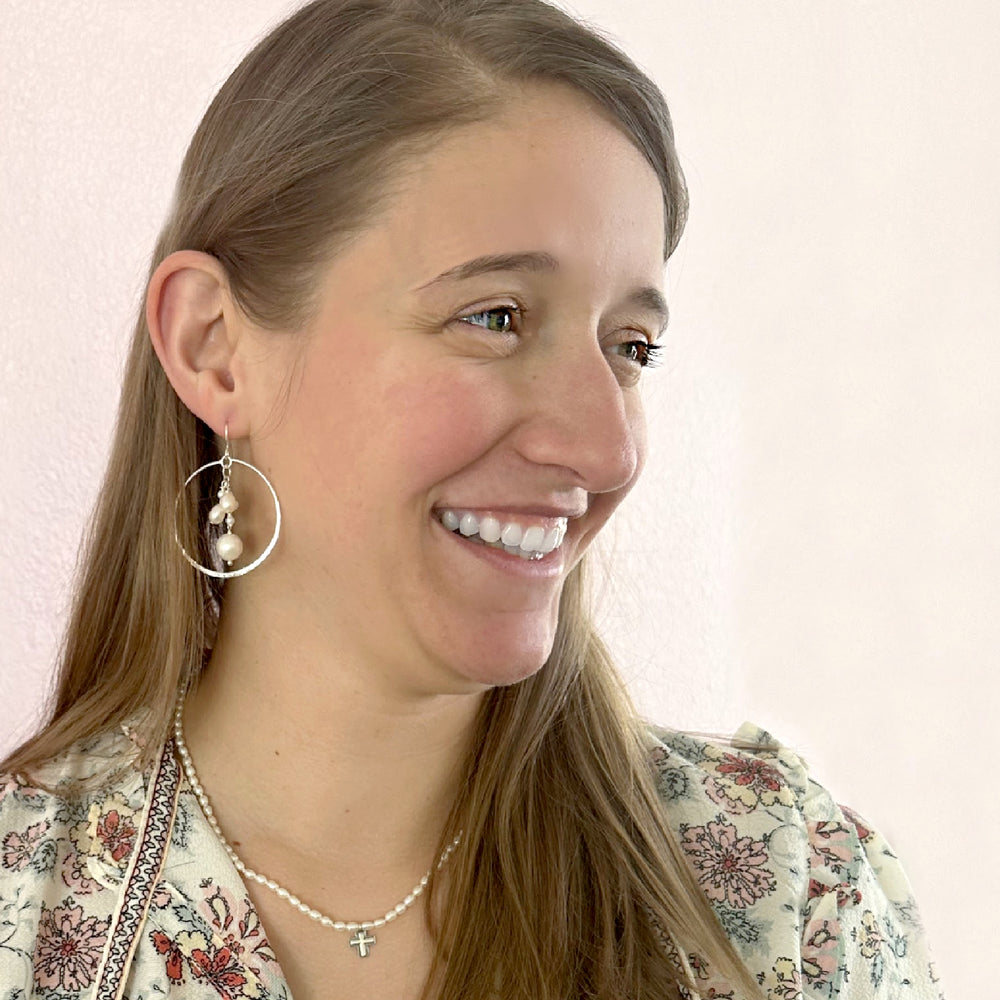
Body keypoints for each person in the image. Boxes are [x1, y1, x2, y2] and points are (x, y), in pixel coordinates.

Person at [0, 1, 943, 998]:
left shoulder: (789, 891)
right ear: (214, 349)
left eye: (629, 347)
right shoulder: (24, 915)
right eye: (494, 317)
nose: (604, 445)